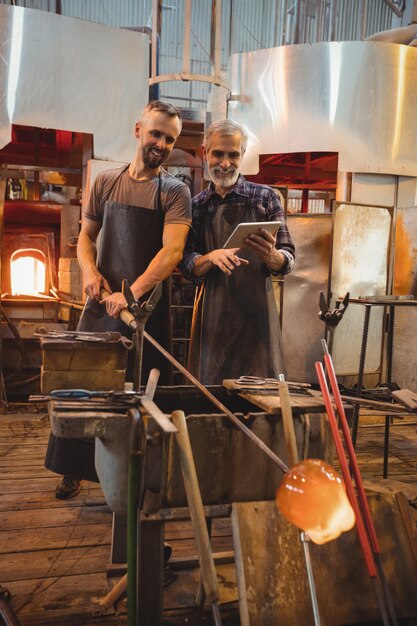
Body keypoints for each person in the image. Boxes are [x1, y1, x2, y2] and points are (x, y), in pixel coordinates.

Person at [45, 100, 192, 499]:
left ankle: (142, 475)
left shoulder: (175, 192)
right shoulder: (107, 182)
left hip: (144, 311)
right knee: (86, 383)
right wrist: (91, 275)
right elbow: (87, 239)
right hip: (101, 302)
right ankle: (73, 468)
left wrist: (132, 294)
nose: (161, 143)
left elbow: (172, 252)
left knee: (143, 390)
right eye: (156, 133)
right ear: (138, 129)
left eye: (170, 139)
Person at [180, 119, 295, 385]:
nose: (225, 163)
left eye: (233, 155)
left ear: (242, 154)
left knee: (260, 397)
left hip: (257, 321)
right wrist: (210, 257)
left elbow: (287, 259)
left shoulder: (265, 198)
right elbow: (187, 265)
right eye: (218, 153)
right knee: (209, 396)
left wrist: (272, 256)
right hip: (212, 321)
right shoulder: (195, 206)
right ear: (204, 152)